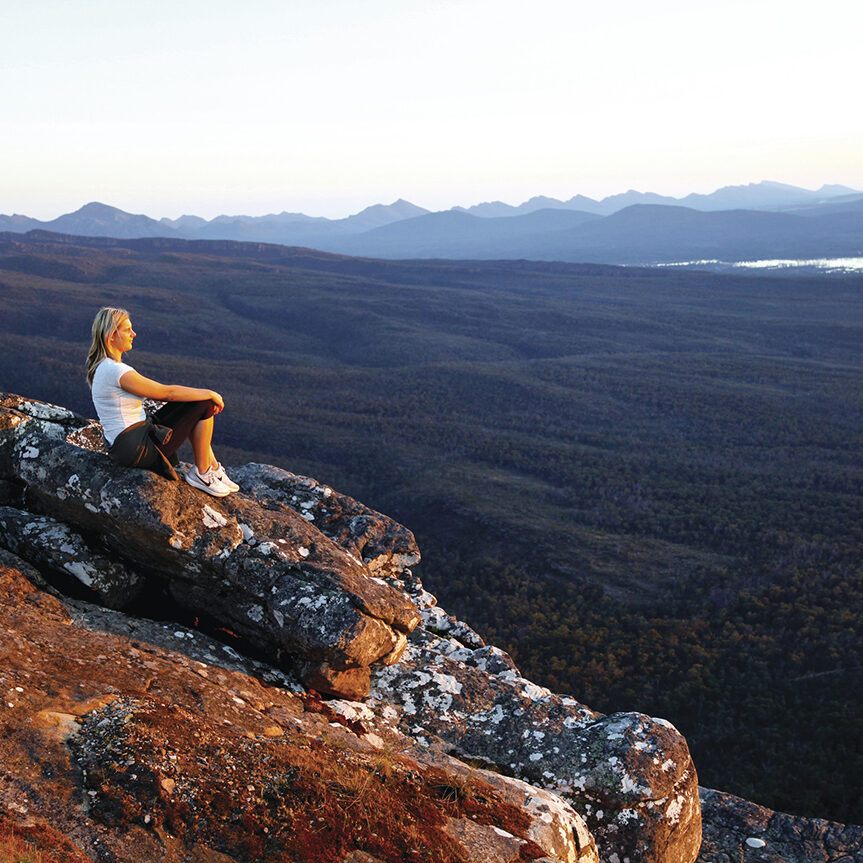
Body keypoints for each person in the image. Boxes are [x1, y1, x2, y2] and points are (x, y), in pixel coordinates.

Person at [86, 306, 238, 497]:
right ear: (111, 336)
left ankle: (213, 467)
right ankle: (203, 473)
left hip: (125, 445)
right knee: (203, 403)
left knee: (195, 404)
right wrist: (210, 393)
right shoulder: (117, 371)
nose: (134, 333)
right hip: (136, 447)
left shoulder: (104, 367)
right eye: (127, 330)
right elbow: (167, 393)